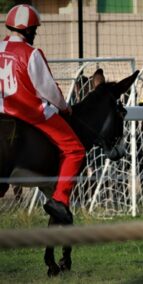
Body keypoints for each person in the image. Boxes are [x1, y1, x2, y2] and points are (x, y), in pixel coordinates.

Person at [0, 5, 85, 223]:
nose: (34, 35)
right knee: (75, 149)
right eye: (34, 30)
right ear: (28, 31)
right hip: (30, 113)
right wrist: (65, 107)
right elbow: (48, 90)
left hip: (2, 110)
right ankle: (59, 199)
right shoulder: (32, 53)